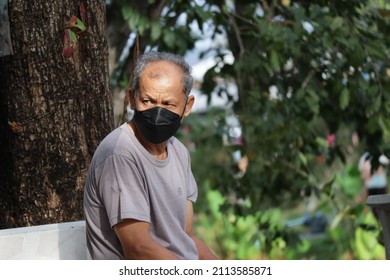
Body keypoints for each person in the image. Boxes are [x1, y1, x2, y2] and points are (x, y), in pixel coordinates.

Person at [83, 51, 219, 260]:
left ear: (187, 106)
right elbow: (139, 249)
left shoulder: (179, 152)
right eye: (147, 101)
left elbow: (187, 235)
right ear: (132, 98)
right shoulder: (120, 154)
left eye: (168, 104)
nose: (157, 112)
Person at [358, 152, 389, 218]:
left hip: (379, 187)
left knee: (381, 207)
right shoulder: (364, 158)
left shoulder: (378, 156)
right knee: (379, 208)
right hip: (374, 187)